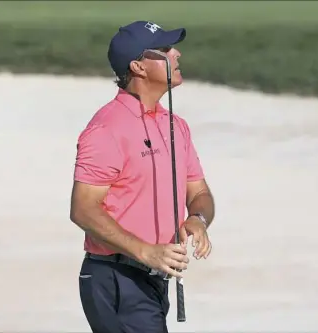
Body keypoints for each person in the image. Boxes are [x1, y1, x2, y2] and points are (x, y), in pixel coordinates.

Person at [69, 20, 215, 333]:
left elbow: (200, 193)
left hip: (151, 279)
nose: (176, 54)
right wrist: (145, 250)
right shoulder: (106, 129)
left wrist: (198, 221)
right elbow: (83, 209)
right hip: (115, 279)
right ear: (138, 66)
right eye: (164, 50)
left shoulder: (175, 125)